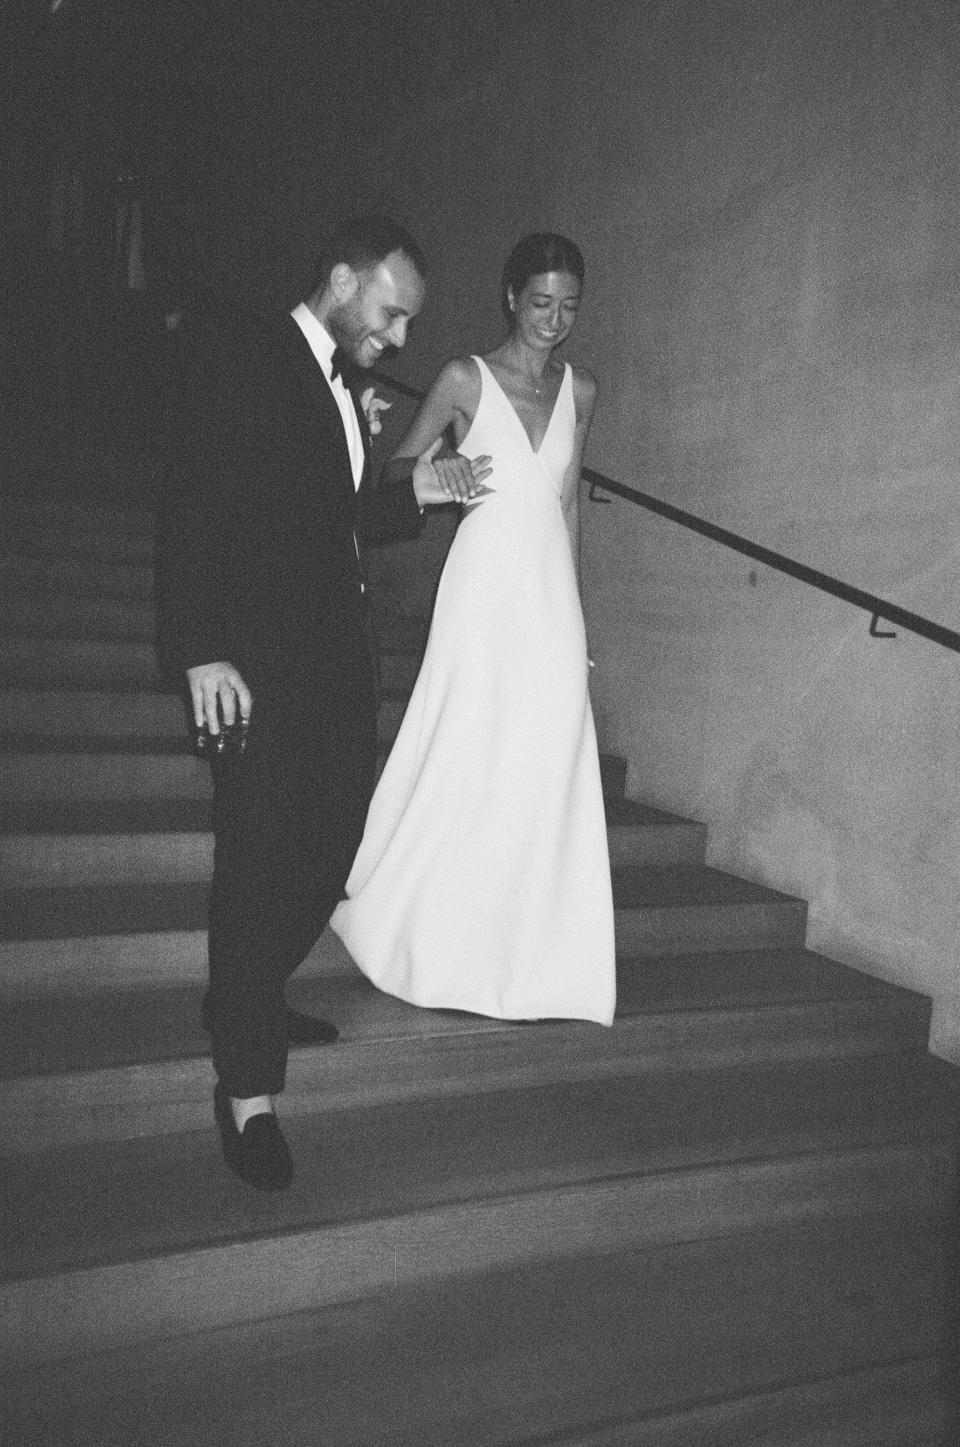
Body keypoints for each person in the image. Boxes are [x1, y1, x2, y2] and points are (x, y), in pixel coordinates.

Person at [155, 215, 489, 1191]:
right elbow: (196, 495)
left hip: (336, 668)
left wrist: (416, 488)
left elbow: (327, 519)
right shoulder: (241, 349)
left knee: (333, 846)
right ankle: (248, 1092)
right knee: (258, 859)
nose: (395, 340)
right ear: (342, 279)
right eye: (389, 315)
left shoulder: (350, 389)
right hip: (253, 663)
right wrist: (201, 648)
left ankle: (245, 989)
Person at [330, 232, 616, 1027]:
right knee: (470, 745)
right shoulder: (464, 377)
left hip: (547, 595)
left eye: (569, 306)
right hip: (481, 588)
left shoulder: (581, 391)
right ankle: (423, 931)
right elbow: (395, 471)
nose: (554, 320)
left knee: (545, 758)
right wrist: (436, 477)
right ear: (510, 298)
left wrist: (578, 622)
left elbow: (565, 505)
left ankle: (530, 950)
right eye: (539, 302)